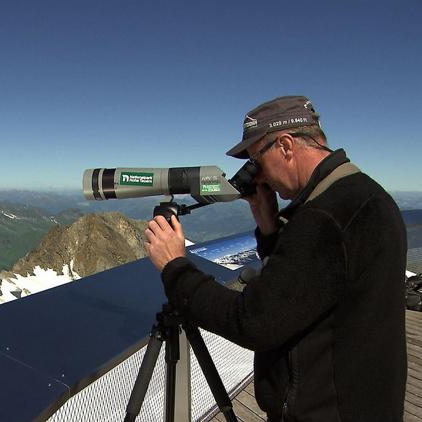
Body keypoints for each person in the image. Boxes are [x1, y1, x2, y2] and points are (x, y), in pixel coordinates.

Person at [144, 96, 407, 421]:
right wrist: (271, 230)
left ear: (285, 146)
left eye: (257, 161)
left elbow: (253, 321)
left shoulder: (324, 217)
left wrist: (175, 267)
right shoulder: (363, 195)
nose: (260, 177)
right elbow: (310, 286)